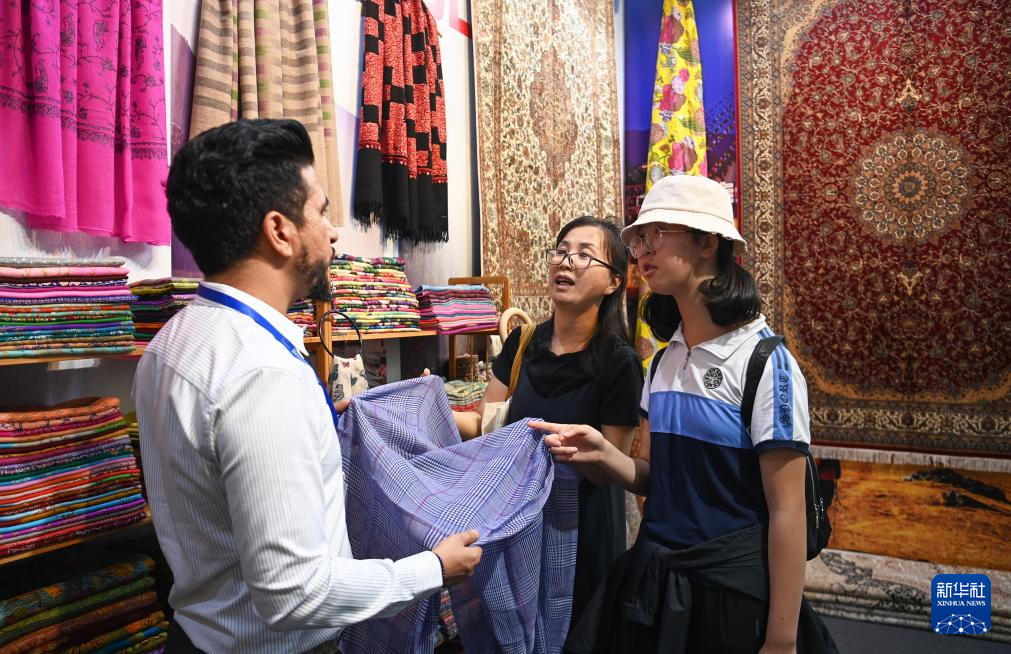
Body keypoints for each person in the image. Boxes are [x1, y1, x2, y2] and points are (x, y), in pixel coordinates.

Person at [135, 119, 481, 653]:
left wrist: (314, 426)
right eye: (321, 211)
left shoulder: (172, 341)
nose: (333, 232)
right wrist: (432, 568)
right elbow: (293, 594)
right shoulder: (263, 374)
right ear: (280, 231)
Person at [533, 175, 837, 653]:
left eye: (657, 234)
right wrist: (605, 455)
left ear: (707, 243)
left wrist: (781, 640)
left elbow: (788, 510)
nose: (642, 251)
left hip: (730, 596)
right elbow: (657, 478)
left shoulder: (765, 364)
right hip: (657, 587)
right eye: (639, 239)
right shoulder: (664, 361)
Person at [454, 216, 643, 632]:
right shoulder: (523, 343)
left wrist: (579, 452)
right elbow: (485, 424)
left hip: (581, 531)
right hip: (518, 520)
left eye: (584, 255)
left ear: (613, 282)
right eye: (560, 251)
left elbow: (612, 467)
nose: (566, 262)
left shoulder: (619, 363)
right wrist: (428, 408)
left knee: (576, 633)